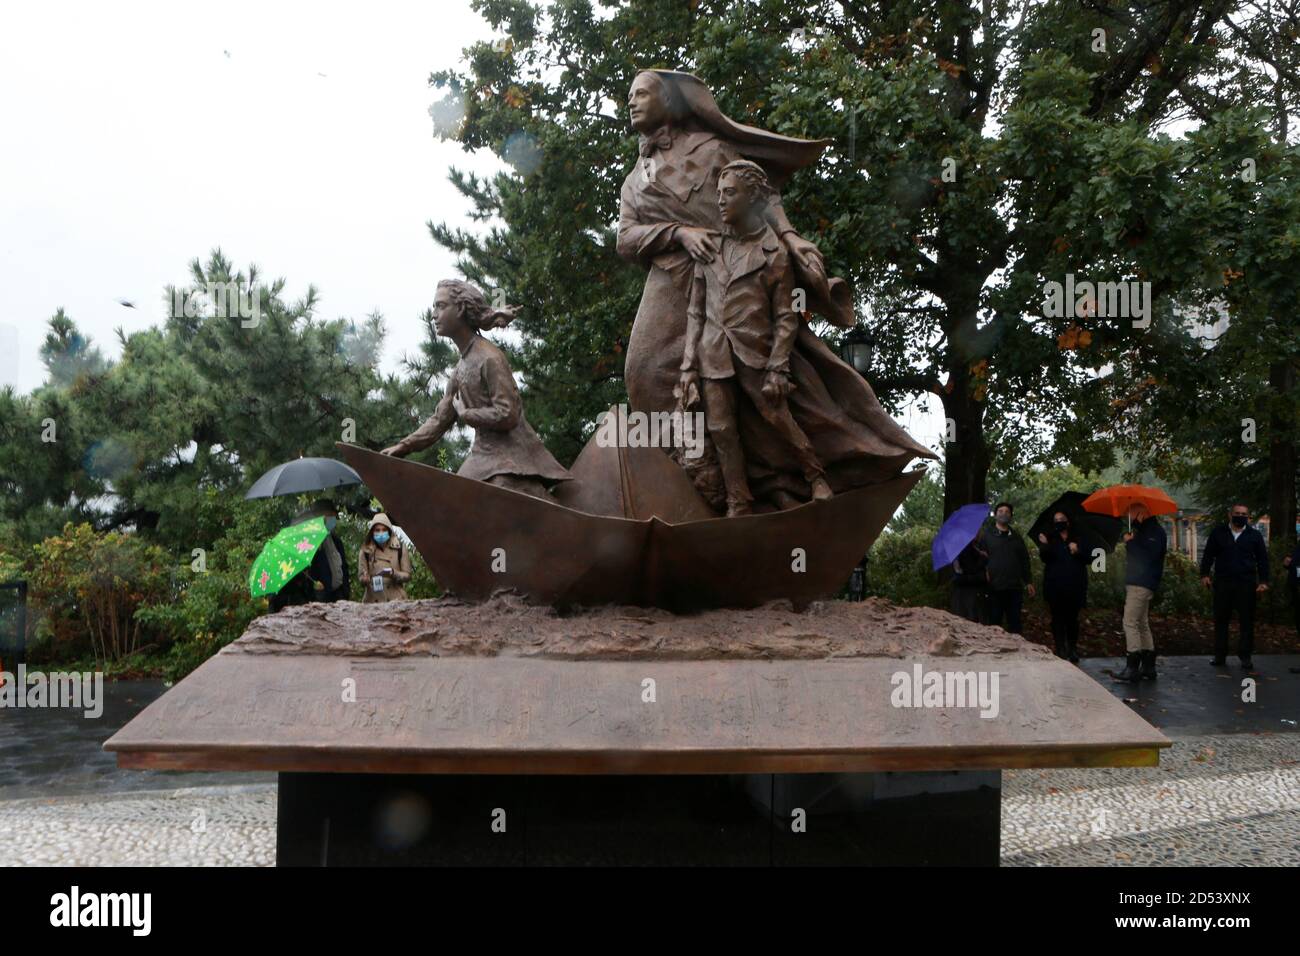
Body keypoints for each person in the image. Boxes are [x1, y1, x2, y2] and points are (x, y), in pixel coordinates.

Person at [617, 69, 935, 510]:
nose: (631, 102)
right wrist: (678, 233)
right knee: (644, 373)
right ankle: (703, 476)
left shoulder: (712, 150)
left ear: (668, 102)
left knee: (766, 392)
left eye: (641, 94)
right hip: (673, 274)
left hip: (735, 272)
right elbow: (626, 239)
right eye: (628, 96)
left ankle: (777, 484)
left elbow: (761, 194)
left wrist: (789, 237)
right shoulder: (635, 179)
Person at [676, 160, 831, 516]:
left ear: (752, 197)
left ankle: (816, 476)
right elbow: (695, 312)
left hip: (756, 354)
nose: (720, 201)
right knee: (720, 428)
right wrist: (688, 367)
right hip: (713, 353)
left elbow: (785, 317)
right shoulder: (708, 249)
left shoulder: (774, 253)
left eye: (729, 193)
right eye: (718, 194)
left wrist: (778, 367)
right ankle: (738, 501)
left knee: (776, 418)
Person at [381, 280, 571, 499]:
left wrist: (468, 414)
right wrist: (403, 447)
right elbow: (439, 420)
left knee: (465, 504)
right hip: (483, 458)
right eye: (434, 307)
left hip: (510, 460)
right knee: (450, 506)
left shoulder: (489, 357)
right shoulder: (461, 369)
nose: (434, 314)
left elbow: (508, 414)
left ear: (460, 309)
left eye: (440, 306)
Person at [1200, 503, 1270, 670]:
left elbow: (1262, 560)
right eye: (1237, 513)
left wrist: (1264, 582)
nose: (1241, 516)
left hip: (1246, 584)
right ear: (1230, 515)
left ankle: (1245, 656)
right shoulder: (1218, 533)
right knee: (1221, 620)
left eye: (1244, 514)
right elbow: (1208, 555)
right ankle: (1219, 655)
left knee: (1247, 621)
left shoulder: (1254, 535)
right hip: (1223, 583)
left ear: (1248, 517)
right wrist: (1204, 575)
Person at [1117, 502, 1166, 682]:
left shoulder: (1154, 532)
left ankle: (1132, 667)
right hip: (1139, 582)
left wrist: (1130, 544)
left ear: (1142, 512)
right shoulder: (1145, 531)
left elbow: (1149, 557)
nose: (1128, 516)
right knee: (1142, 623)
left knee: (1129, 622)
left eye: (1130, 512)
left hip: (1141, 583)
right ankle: (1148, 666)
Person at [1037, 511, 1087, 662]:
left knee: (1072, 619)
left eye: (1062, 519)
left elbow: (1090, 558)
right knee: (1057, 619)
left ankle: (1072, 648)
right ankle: (1061, 649)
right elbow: (1044, 558)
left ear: (1068, 522)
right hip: (1055, 586)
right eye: (1056, 520)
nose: (1059, 522)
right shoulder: (1050, 538)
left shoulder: (1079, 538)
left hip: (1075, 585)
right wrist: (1044, 544)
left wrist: (1077, 551)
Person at [984, 502, 1034, 634]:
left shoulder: (1016, 537)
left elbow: (1024, 560)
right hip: (994, 587)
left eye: (1007, 512)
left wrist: (1028, 581)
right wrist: (984, 572)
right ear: (995, 515)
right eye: (1000, 511)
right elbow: (980, 558)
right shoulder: (987, 535)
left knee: (1015, 623)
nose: (1003, 514)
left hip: (1014, 588)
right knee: (994, 623)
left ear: (1011, 515)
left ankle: (1017, 652)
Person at [358, 513, 412, 604]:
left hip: (397, 601)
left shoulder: (400, 548)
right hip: (373, 601)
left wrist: (393, 573)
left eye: (384, 530)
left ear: (389, 531)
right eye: (377, 530)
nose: (381, 533)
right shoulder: (365, 551)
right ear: (372, 532)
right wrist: (365, 579)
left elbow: (408, 575)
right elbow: (361, 577)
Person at [950, 530, 988, 624]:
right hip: (966, 594)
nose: (979, 533)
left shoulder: (972, 547)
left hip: (968, 593)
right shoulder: (964, 549)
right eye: (975, 531)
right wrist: (983, 559)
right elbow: (970, 570)